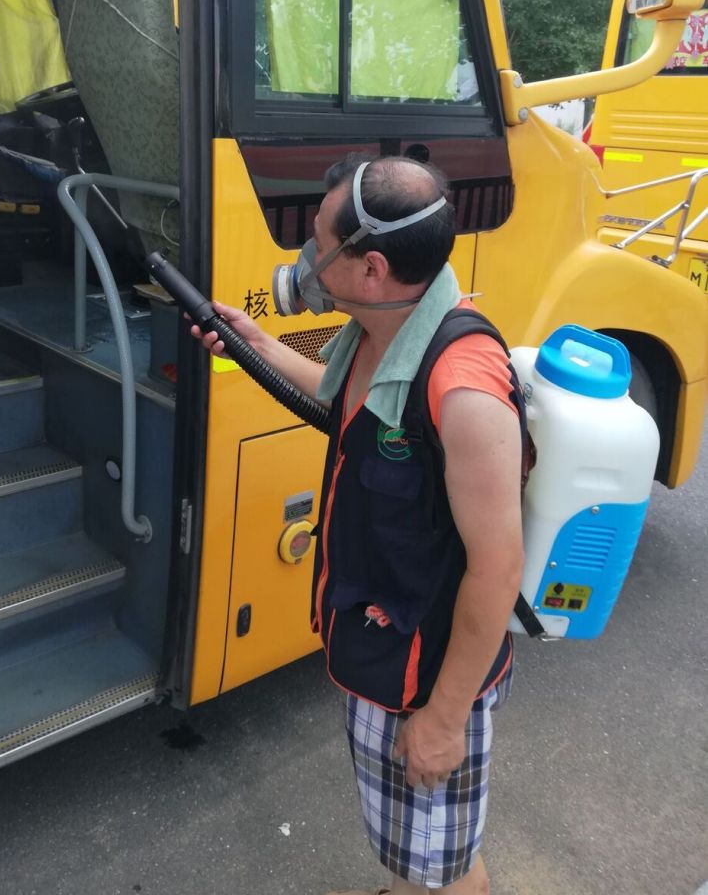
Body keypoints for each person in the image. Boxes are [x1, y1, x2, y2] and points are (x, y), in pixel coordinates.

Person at [191, 155, 524, 894]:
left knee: (443, 869)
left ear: (371, 268)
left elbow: (498, 569)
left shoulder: (463, 391)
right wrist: (255, 343)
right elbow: (344, 398)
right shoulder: (382, 330)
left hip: (426, 677)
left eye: (319, 242)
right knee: (412, 849)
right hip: (379, 645)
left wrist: (444, 719)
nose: (307, 258)